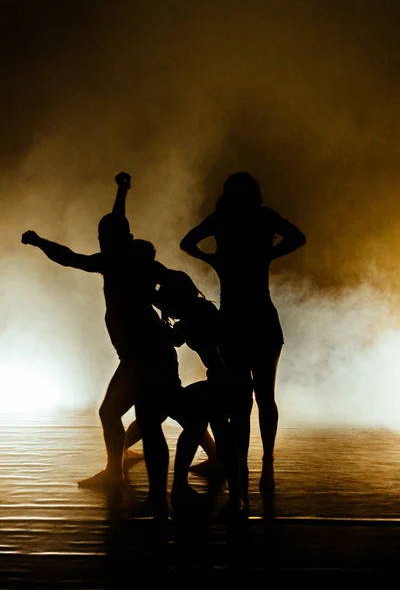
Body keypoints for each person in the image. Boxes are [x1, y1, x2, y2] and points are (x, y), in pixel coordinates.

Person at [21, 172, 181, 517]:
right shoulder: (122, 256)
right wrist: (121, 190)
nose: (103, 240)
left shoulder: (120, 261)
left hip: (147, 355)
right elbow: (116, 223)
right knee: (115, 413)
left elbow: (68, 256)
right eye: (101, 236)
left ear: (124, 239)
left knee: (147, 422)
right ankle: (117, 471)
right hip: (138, 356)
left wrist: (38, 242)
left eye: (107, 237)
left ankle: (154, 494)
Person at [180, 171, 306, 495]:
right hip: (260, 319)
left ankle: (245, 471)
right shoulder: (264, 219)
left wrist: (211, 259)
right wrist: (269, 255)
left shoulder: (221, 220)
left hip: (235, 321)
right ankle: (265, 464)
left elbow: (187, 242)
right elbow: (298, 237)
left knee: (240, 403)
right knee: (264, 397)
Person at [124, 270, 244, 517]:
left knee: (209, 428)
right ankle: (199, 488)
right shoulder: (197, 310)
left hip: (228, 380)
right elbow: (176, 334)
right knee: (198, 421)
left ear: (178, 298)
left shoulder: (197, 315)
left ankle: (225, 495)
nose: (169, 311)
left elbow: (176, 337)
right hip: (224, 379)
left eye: (170, 304)